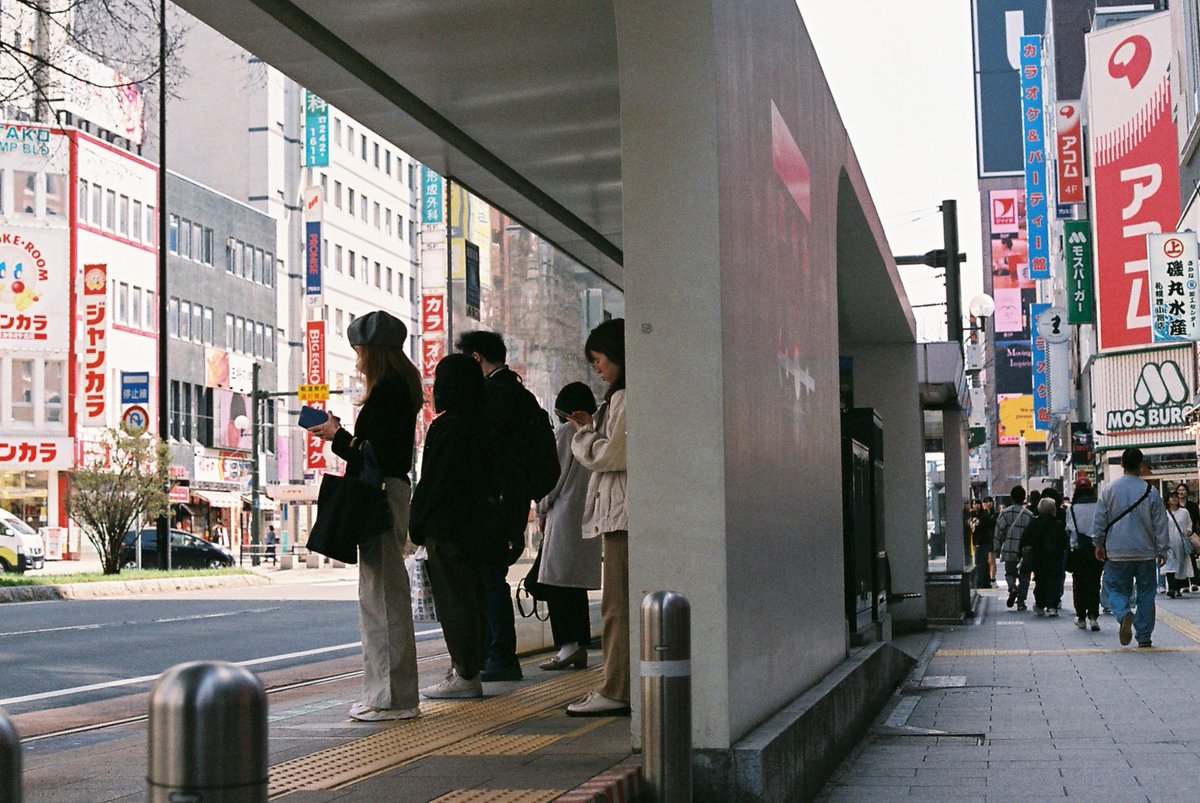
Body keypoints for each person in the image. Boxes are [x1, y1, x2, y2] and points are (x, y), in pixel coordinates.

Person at [308, 310, 423, 721]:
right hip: (388, 493)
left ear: (372, 351)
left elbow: (379, 456)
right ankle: (387, 694)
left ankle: (391, 698)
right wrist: (343, 436)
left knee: (383, 598)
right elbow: (380, 452)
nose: (357, 359)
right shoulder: (399, 387)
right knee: (380, 594)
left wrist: (338, 436)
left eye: (359, 350)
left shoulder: (387, 391)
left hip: (380, 496)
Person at [454, 330, 540, 682]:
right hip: (512, 498)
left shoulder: (494, 394)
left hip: (497, 500)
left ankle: (499, 655)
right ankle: (497, 654)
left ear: (475, 359)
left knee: (489, 579)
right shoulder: (518, 391)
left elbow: (488, 452)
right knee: (492, 577)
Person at [410, 353, 491, 699]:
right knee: (474, 598)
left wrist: (416, 524)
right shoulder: (485, 423)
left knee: (454, 602)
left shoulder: (446, 427)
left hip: (446, 528)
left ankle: (465, 674)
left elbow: (433, 483)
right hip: (477, 526)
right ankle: (469, 668)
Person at [566, 318, 630, 717]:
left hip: (624, 515)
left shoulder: (625, 398)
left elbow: (610, 456)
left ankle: (616, 687)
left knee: (616, 606)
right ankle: (618, 683)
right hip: (623, 513)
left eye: (600, 359)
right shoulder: (620, 398)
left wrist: (586, 435)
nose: (598, 368)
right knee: (617, 605)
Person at [535, 382, 601, 671]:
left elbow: (553, 475)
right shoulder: (598, 434)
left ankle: (567, 647)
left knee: (558, 583)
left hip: (564, 515)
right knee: (574, 586)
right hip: (587, 515)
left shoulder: (565, 433)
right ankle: (578, 647)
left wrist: (541, 505)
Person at [1093, 448, 1169, 649]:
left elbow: (1100, 520)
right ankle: (1144, 636)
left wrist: (1098, 544)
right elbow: (1160, 523)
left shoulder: (1109, 490)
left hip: (1116, 551)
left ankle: (1123, 613)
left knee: (1116, 588)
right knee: (1146, 593)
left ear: (1122, 465)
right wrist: (1163, 549)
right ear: (1141, 465)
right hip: (1145, 551)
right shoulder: (1150, 491)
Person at [1020, 497, 1068, 617]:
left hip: (1038, 557)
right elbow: (1064, 542)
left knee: (1040, 580)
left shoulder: (1034, 523)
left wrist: (1021, 553)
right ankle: (1052, 606)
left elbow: (1025, 539)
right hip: (1055, 557)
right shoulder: (1058, 524)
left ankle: (1040, 605)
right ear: (1053, 510)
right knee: (1054, 581)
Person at [1066, 477, 1102, 631]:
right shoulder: (1099, 506)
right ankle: (1093, 616)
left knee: (1079, 583)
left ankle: (1081, 617)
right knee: (1094, 583)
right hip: (1096, 550)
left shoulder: (1071, 509)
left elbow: (1069, 531)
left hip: (1078, 551)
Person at [994, 486, 1034, 611]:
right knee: (1025, 576)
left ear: (1011, 498)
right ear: (1024, 499)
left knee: (1010, 572)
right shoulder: (1029, 515)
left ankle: (1012, 587)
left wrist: (996, 547)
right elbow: (1033, 535)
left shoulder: (1005, 513)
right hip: (1025, 552)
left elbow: (998, 532)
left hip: (1010, 549)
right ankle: (1021, 602)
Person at [1163, 486, 1194, 598]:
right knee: (1170, 565)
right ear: (1167, 500)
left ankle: (1177, 588)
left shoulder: (1184, 512)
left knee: (1180, 565)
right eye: (1172, 497)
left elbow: (1189, 524)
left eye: (1176, 497)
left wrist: (1188, 531)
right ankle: (1171, 588)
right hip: (1168, 542)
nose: (1174, 499)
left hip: (1181, 542)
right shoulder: (1164, 513)